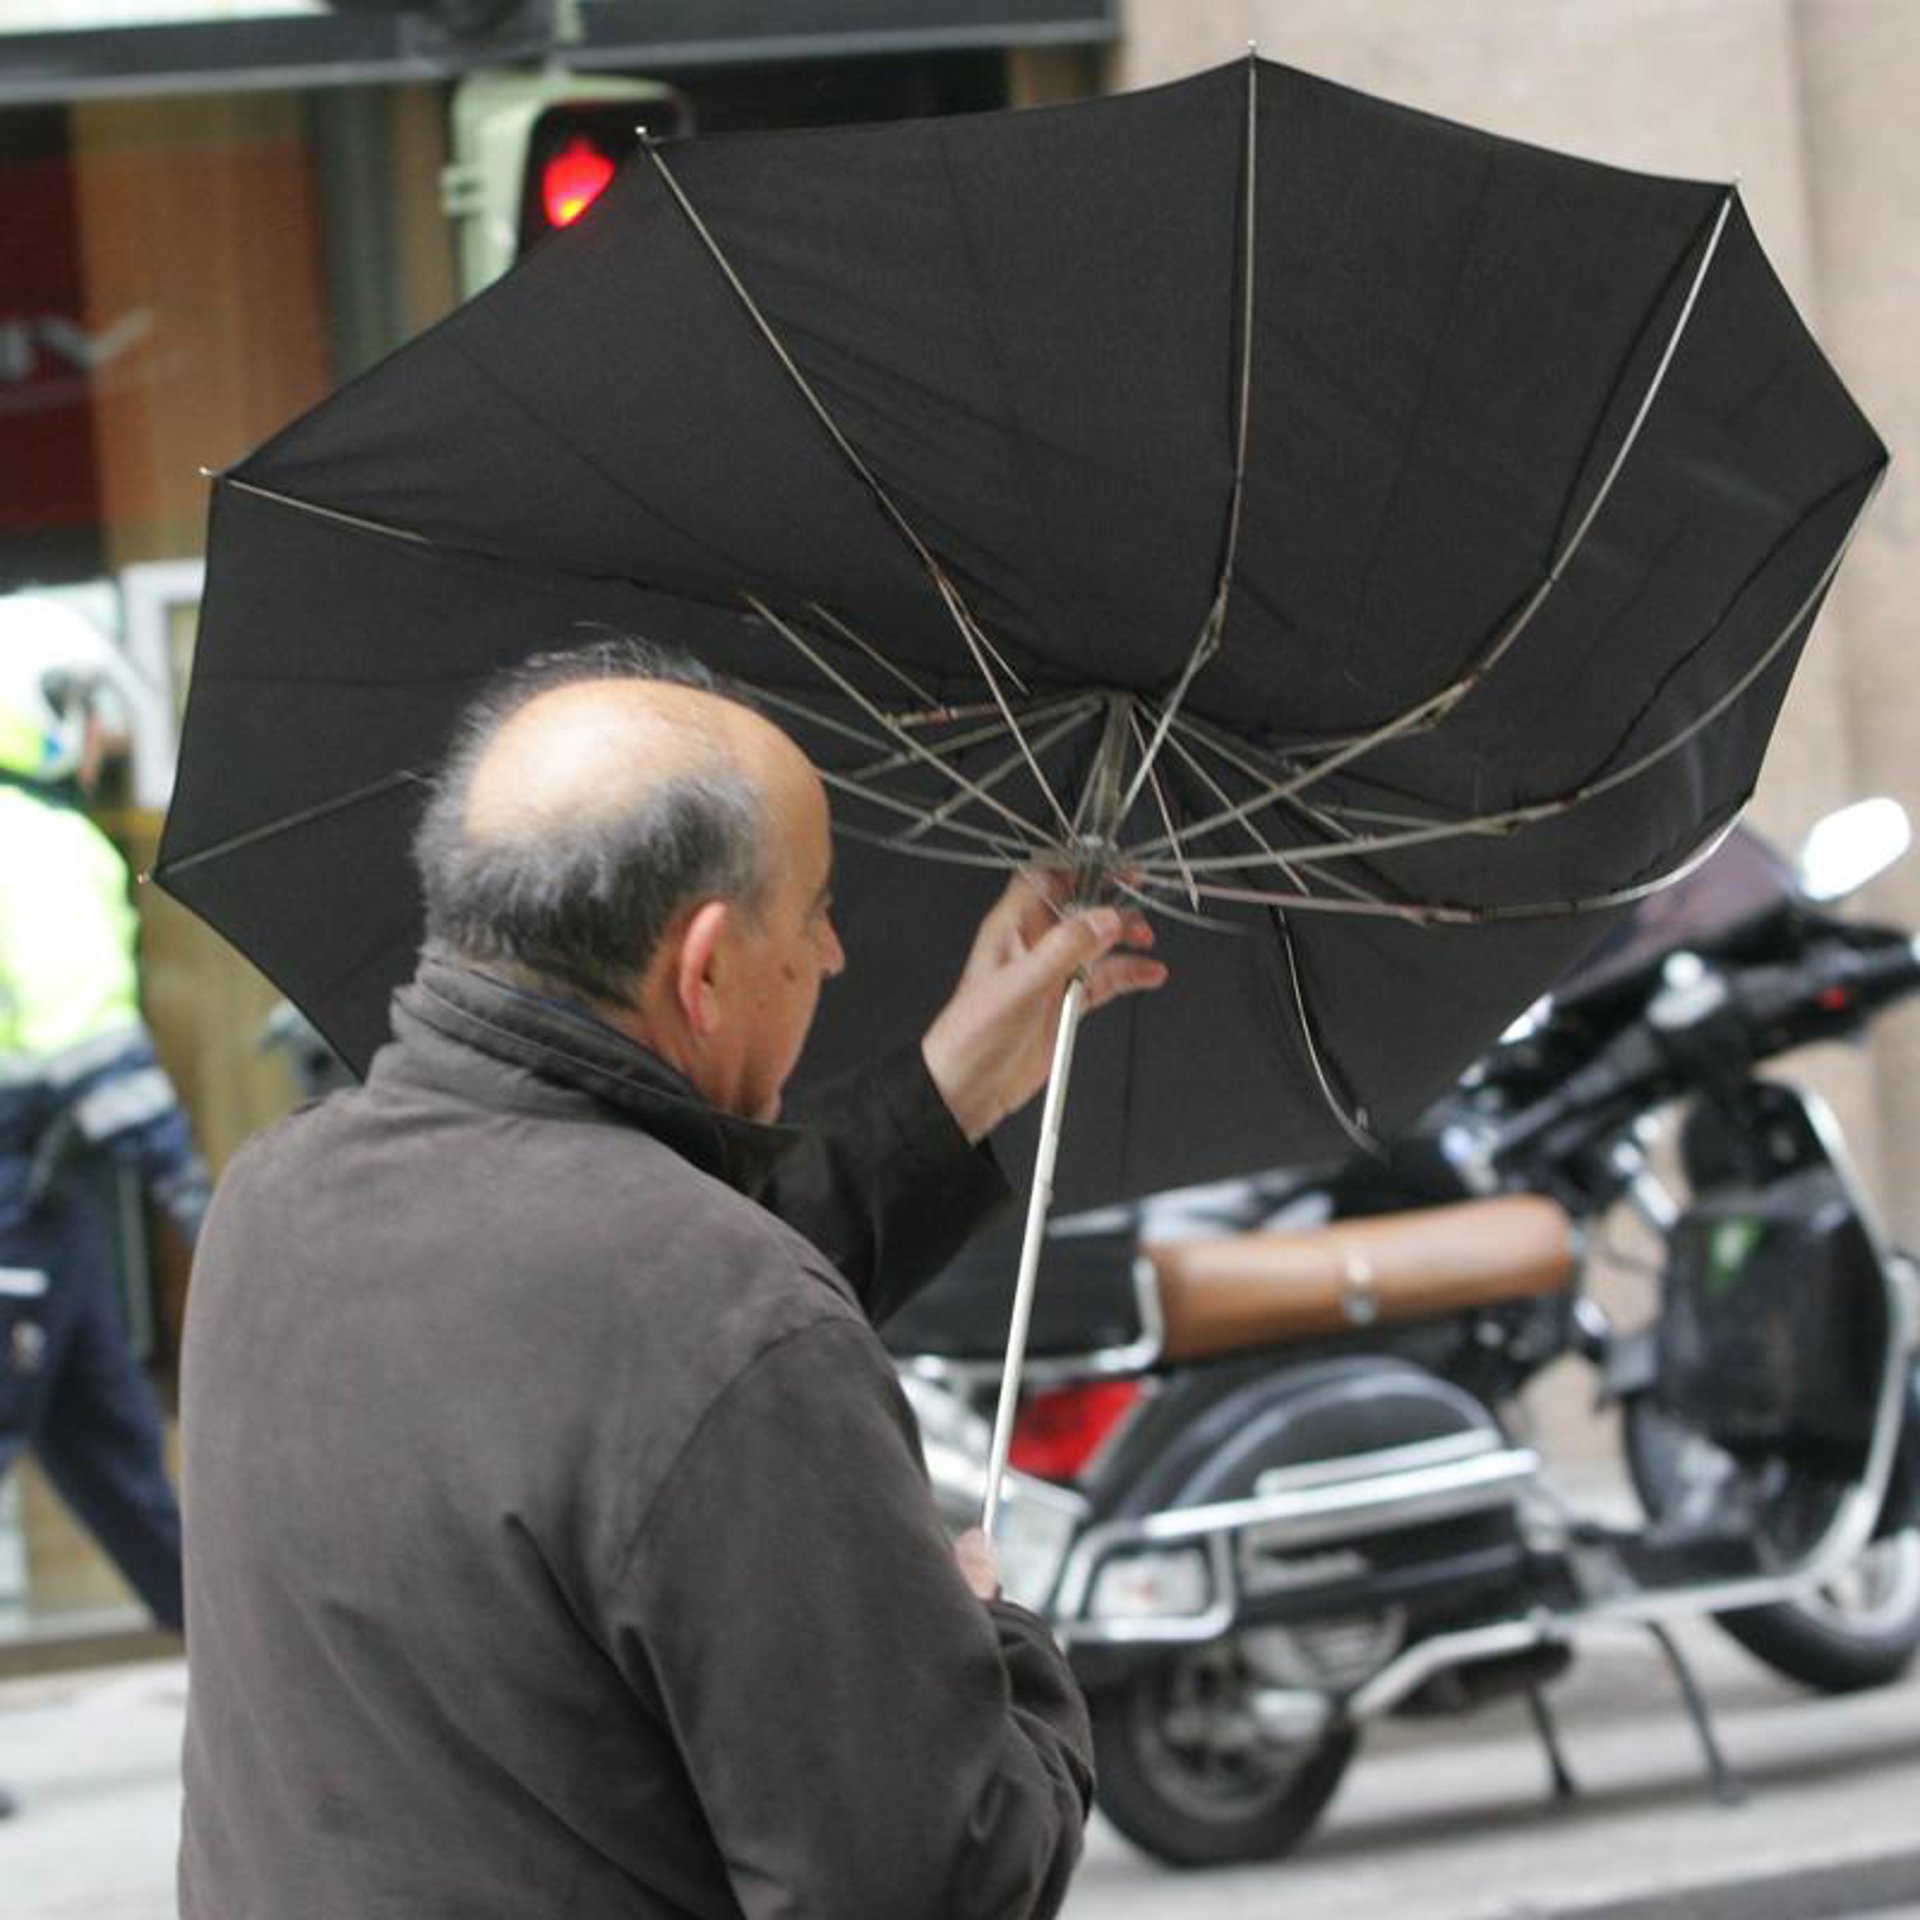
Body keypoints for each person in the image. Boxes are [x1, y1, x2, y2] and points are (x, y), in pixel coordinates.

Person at [179, 639, 1167, 1917]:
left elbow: (618, 1339)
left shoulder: (272, 1201)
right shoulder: (725, 1319)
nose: (833, 956)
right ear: (703, 969)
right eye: (815, 914)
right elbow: (939, 1880)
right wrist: (996, 1647)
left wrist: (952, 1092)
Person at [0, 597, 209, 1818]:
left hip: (45, 1205)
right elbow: (89, 1043)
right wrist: (188, 1185)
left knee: (115, 1453)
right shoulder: (33, 842)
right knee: (100, 1451)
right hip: (15, 1202)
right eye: (84, 709)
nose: (100, 737)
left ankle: (252, 1677)